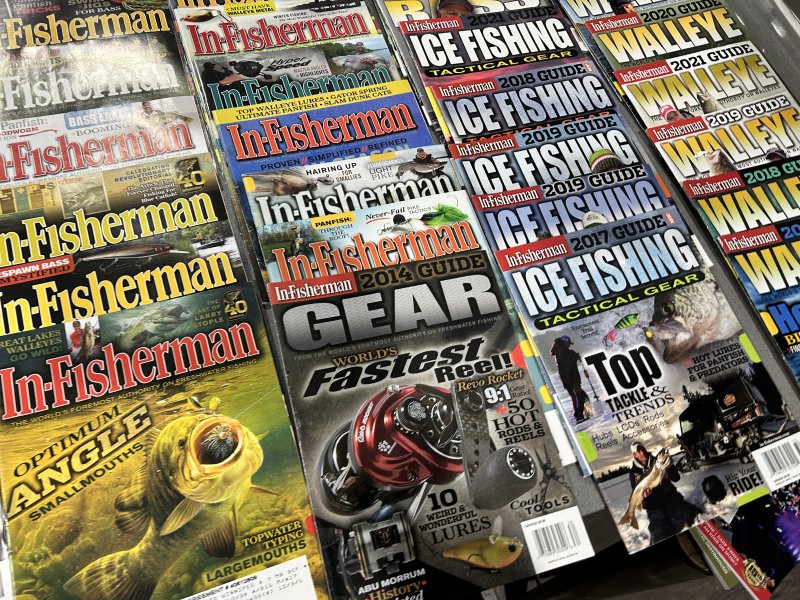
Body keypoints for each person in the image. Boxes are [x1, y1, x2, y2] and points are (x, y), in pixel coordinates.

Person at [629, 441, 701, 544]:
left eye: (642, 449)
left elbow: (676, 478)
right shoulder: (633, 473)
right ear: (634, 455)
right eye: (638, 451)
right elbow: (638, 495)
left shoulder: (659, 461)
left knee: (694, 515)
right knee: (659, 534)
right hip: (654, 508)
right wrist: (645, 496)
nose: (642, 452)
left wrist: (670, 467)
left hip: (672, 499)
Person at [550, 336, 590, 423]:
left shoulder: (560, 352)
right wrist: (576, 355)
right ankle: (580, 416)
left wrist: (575, 355)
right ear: (565, 343)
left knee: (578, 396)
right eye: (568, 344)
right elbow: (570, 360)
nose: (569, 345)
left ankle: (580, 414)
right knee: (579, 396)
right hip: (572, 379)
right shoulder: (564, 351)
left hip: (568, 379)